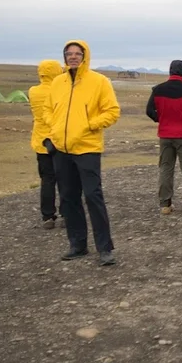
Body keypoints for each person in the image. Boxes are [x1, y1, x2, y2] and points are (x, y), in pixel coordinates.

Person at [46, 40, 121, 266]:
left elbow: (112, 111)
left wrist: (89, 124)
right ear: (64, 56)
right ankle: (78, 244)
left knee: (93, 196)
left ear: (85, 56)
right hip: (61, 149)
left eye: (78, 53)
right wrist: (55, 128)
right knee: (68, 198)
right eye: (69, 53)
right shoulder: (57, 82)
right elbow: (48, 110)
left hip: (87, 148)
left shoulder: (99, 81)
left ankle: (105, 249)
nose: (73, 57)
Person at [146, 60, 182, 216]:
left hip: (165, 135)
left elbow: (149, 110)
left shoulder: (157, 90)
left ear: (170, 71)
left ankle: (165, 204)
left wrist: (160, 118)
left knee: (165, 168)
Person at [29, 59, 65, 229]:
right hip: (59, 140)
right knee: (65, 179)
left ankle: (47, 216)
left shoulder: (33, 91)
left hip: (40, 142)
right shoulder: (60, 90)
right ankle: (66, 213)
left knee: (47, 179)